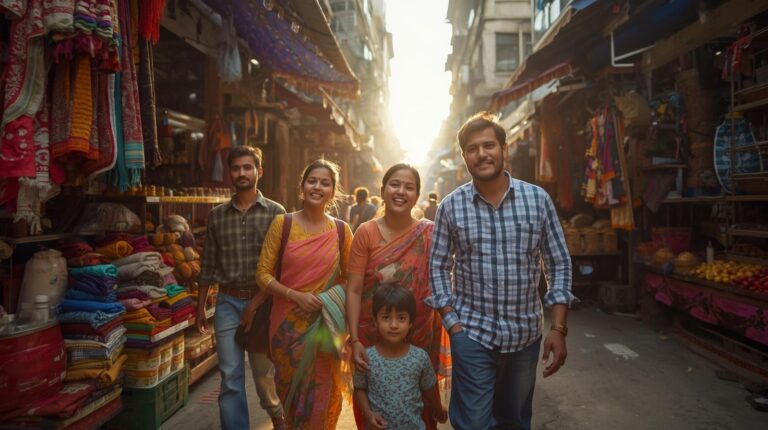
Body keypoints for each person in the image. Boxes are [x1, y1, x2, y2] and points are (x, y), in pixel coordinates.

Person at [428, 112, 576, 430]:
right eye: (472, 148)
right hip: (472, 334)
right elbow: (438, 267)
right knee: (474, 423)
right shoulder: (450, 207)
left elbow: (558, 262)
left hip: (525, 336)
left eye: (489, 145)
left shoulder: (537, 200)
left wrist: (559, 328)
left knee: (515, 421)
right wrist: (454, 326)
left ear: (504, 149)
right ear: (464, 155)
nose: (481, 154)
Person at [346, 163, 449, 429]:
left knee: (421, 399)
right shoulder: (366, 233)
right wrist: (355, 339)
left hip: (420, 334)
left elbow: (443, 281)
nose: (401, 191)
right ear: (382, 190)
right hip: (371, 335)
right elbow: (355, 289)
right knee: (371, 403)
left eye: (409, 187)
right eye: (394, 184)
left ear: (417, 195)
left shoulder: (430, 232)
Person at [254, 159, 353, 429]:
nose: (317, 187)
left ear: (333, 191)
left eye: (325, 183)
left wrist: (324, 299)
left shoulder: (342, 231)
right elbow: (262, 274)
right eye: (312, 181)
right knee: (291, 394)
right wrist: (295, 295)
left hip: (326, 328)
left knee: (324, 394)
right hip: (286, 329)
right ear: (302, 187)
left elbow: (353, 281)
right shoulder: (282, 224)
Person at [197, 145, 286, 430]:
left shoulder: (277, 213)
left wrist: (257, 303)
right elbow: (208, 264)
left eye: (248, 167)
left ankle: (280, 418)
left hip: (265, 304)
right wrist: (200, 308)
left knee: (264, 375)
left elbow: (280, 268)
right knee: (231, 376)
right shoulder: (217, 216)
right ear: (229, 173)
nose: (242, 173)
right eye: (236, 168)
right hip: (227, 303)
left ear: (259, 171)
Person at [353, 284, 447, 430]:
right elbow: (359, 388)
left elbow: (429, 390)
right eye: (386, 318)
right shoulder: (367, 357)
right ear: (375, 320)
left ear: (410, 323)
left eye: (401, 318)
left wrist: (439, 411)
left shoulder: (419, 358)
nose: (393, 325)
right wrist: (368, 413)